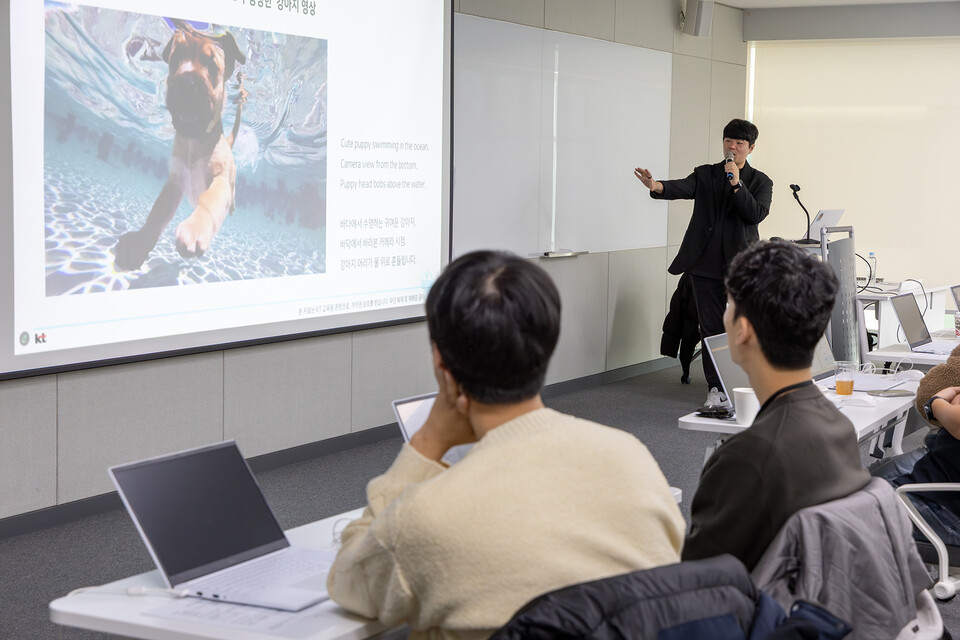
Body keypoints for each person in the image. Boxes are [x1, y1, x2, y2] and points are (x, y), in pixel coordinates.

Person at [327, 250, 685, 640]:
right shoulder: (632, 459)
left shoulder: (425, 518)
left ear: (441, 363)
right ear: (547, 345)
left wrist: (427, 442)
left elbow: (349, 581)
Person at [682, 241, 870, 570]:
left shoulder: (746, 458)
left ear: (742, 331)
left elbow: (698, 579)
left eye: (728, 305)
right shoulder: (838, 426)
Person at [634, 118, 773, 407]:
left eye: (738, 143)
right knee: (711, 330)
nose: (732, 147)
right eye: (728, 141)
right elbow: (683, 187)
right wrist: (656, 185)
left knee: (744, 327)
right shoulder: (707, 174)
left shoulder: (761, 182)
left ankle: (749, 384)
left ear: (751, 148)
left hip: (742, 269)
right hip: (705, 267)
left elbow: (755, 214)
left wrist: (737, 184)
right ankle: (717, 388)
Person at [874, 380, 960, 546]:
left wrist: (936, 402)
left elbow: (955, 418)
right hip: (933, 494)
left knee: (845, 508)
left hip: (943, 512)